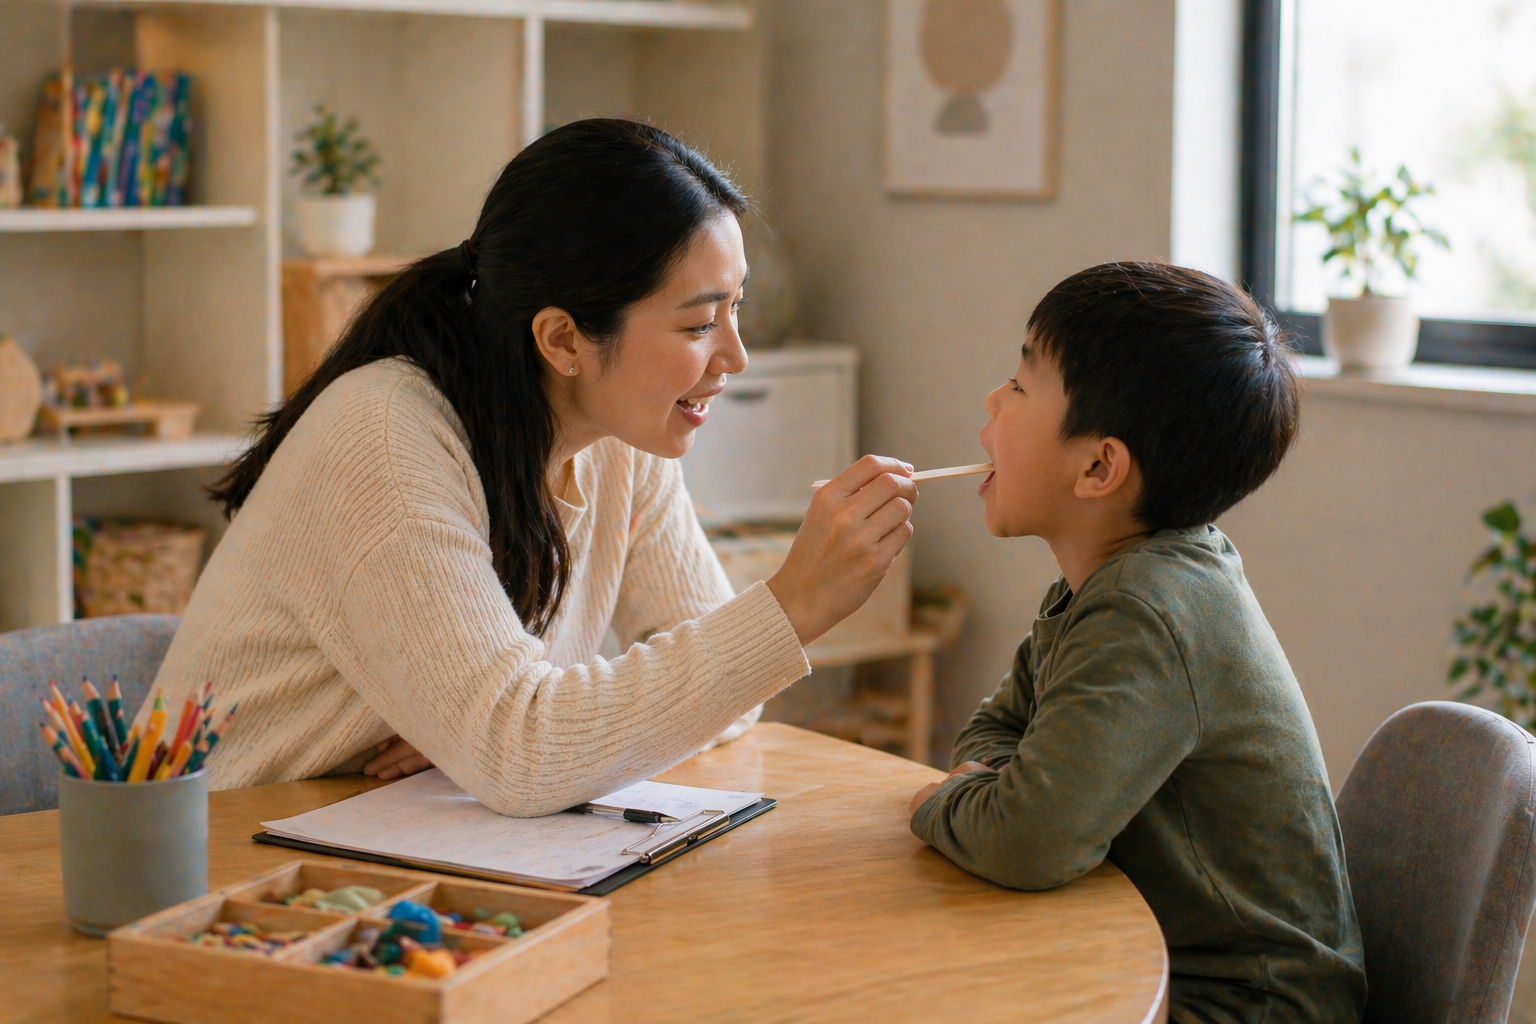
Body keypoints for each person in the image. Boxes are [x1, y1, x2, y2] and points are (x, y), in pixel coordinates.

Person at [147, 119, 917, 816]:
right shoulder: (383, 438)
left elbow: (728, 703)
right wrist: (796, 603)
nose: (735, 356)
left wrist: (493, 733)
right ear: (562, 340)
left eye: (736, 308)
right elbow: (527, 757)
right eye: (700, 323)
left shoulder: (619, 438)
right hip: (219, 854)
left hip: (388, 838)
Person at [907, 262, 1366, 1022]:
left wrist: (944, 798)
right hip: (1153, 964)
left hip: (1246, 1006)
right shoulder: (1115, 581)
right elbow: (994, 731)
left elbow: (1026, 842)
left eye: (1020, 385)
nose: (993, 398)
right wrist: (994, 789)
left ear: (1097, 466)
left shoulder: (1145, 609)